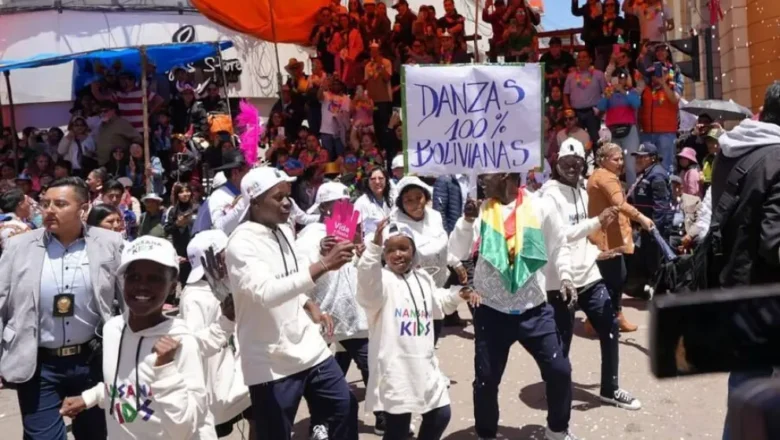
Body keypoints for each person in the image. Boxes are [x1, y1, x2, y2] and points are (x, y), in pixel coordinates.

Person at [225, 166, 359, 439]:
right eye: (278, 197)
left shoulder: (284, 230)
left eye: (289, 195)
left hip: (308, 347)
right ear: (255, 201)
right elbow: (266, 292)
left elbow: (291, 276)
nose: (288, 203)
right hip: (269, 360)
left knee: (344, 405)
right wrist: (323, 265)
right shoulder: (240, 243)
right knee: (274, 433)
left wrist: (312, 307)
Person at [448, 173, 579, 440]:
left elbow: (559, 246)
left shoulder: (540, 205)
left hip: (534, 309)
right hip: (491, 311)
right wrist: (466, 221)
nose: (482, 180)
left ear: (508, 176)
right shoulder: (483, 210)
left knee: (559, 370)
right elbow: (456, 252)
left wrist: (566, 276)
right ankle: (486, 433)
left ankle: (556, 430)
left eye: (488, 175)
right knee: (486, 380)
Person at [0, 177, 124, 440]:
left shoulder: (109, 244)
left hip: (93, 361)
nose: (49, 210)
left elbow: (125, 299)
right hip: (38, 363)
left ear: (83, 209)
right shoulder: (18, 246)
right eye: (45, 204)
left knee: (95, 435)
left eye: (59, 204)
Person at [59, 236, 211, 439]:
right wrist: (89, 398)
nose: (142, 286)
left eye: (155, 278)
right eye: (134, 277)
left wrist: (165, 370)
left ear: (172, 284)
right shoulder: (113, 329)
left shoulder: (181, 341)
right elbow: (123, 384)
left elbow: (185, 426)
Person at [538, 139, 642, 411]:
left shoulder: (584, 191)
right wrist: (596, 223)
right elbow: (560, 236)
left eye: (578, 163)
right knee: (562, 342)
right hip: (559, 279)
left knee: (610, 327)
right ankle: (557, 392)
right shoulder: (548, 196)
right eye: (566, 163)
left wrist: (598, 249)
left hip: (588, 273)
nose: (572, 167)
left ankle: (610, 388)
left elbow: (585, 235)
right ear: (557, 164)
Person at [357, 219, 481, 440]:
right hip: (395, 369)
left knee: (440, 414)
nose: (398, 254)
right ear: (384, 254)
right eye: (391, 249)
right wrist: (373, 249)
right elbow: (367, 286)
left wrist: (457, 294)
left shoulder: (422, 277)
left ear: (413, 250)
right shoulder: (381, 282)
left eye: (403, 248)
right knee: (398, 428)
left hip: (424, 364)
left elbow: (437, 302)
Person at [709, 84, 780, 440]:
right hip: (765, 297)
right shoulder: (778, 158)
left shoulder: (732, 150)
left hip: (732, 287)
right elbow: (774, 243)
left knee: (745, 391)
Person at [295, 182, 375, 433]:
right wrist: (321, 255)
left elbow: (358, 268)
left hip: (353, 316)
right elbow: (299, 274)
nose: (345, 206)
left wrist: (362, 251)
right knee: (319, 375)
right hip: (323, 316)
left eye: (347, 202)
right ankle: (320, 422)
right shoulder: (309, 236)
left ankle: (382, 415)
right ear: (325, 207)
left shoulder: (351, 230)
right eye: (339, 203)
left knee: (372, 364)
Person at [182, 231, 254, 439]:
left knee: (258, 417)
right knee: (217, 428)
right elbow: (194, 344)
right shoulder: (195, 297)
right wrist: (225, 321)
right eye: (225, 254)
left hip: (242, 372)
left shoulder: (229, 283)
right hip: (218, 380)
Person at [587, 143, 654, 331]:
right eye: (615, 159)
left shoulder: (600, 176)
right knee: (615, 279)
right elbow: (619, 203)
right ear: (602, 160)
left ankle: (613, 316)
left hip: (607, 236)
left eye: (621, 159)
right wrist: (641, 217)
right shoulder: (606, 179)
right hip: (607, 238)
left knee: (613, 279)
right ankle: (596, 320)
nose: (620, 163)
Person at [630, 142, 673, 294]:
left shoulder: (657, 175)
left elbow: (661, 207)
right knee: (648, 260)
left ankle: (662, 292)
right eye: (637, 157)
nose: (638, 160)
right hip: (645, 227)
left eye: (643, 157)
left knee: (657, 261)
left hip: (655, 229)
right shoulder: (645, 174)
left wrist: (655, 230)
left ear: (652, 158)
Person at [208, 150, 250, 235]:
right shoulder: (218, 196)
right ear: (235, 173)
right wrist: (244, 201)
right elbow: (220, 228)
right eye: (248, 171)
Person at [165, 182, 199, 287]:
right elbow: (167, 230)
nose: (185, 194)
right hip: (181, 250)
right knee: (184, 279)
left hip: (196, 249)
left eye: (187, 191)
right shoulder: (172, 211)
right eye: (181, 192)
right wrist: (177, 224)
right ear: (177, 195)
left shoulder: (197, 208)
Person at [354, 167, 393, 239]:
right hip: (371, 245)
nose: (377, 182)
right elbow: (354, 229)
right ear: (368, 182)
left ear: (386, 180)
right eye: (373, 179)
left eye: (380, 178)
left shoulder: (392, 199)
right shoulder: (361, 202)